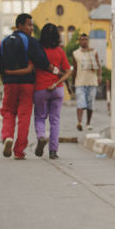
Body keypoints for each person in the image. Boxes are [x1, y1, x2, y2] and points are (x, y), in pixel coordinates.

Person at [0, 13, 58, 159]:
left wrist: (7, 78)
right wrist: (57, 71)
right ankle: (19, 151)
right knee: (24, 116)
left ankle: (7, 137)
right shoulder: (30, 41)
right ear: (20, 25)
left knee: (8, 111)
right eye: (29, 25)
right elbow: (43, 61)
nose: (32, 28)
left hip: (10, 84)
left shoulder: (5, 42)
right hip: (27, 84)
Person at [32, 24, 73, 159]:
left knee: (40, 117)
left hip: (40, 89)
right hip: (57, 90)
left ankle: (41, 137)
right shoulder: (60, 52)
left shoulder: (37, 51)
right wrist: (56, 83)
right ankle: (53, 151)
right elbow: (68, 72)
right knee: (55, 120)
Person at [72, 33, 101, 131]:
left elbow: (98, 65)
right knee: (80, 103)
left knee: (90, 103)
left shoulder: (94, 52)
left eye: (85, 39)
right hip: (80, 82)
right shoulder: (75, 53)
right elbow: (74, 69)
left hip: (92, 81)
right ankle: (79, 122)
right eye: (82, 39)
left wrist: (99, 76)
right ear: (79, 41)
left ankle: (88, 123)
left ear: (88, 41)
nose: (84, 41)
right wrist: (73, 83)